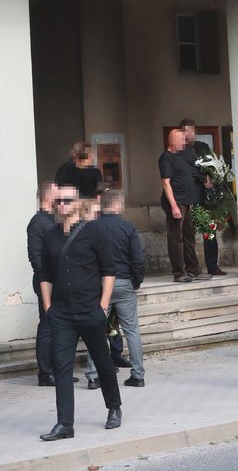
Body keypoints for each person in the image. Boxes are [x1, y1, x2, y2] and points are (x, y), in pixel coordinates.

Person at [38, 185, 122, 440]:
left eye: (66, 200)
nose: (61, 205)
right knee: (62, 367)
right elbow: (45, 275)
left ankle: (114, 407)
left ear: (77, 203)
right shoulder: (50, 236)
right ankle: (65, 424)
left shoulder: (95, 231)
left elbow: (109, 271)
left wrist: (103, 306)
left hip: (90, 310)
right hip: (62, 314)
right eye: (58, 201)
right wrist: (48, 307)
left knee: (104, 362)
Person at [84, 190, 147, 389]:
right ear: (119, 205)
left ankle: (94, 376)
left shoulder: (92, 226)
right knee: (132, 330)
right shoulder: (127, 226)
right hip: (123, 282)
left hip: (100, 285)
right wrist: (135, 282)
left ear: (103, 204)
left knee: (95, 330)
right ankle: (137, 375)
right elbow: (138, 259)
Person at [180, 119, 225, 276]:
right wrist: (201, 177)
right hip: (189, 197)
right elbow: (186, 172)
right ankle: (192, 268)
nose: (189, 134)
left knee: (210, 231)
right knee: (188, 234)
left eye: (191, 130)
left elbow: (211, 165)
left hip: (206, 198)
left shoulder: (202, 147)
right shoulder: (179, 151)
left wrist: (211, 177)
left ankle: (212, 265)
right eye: (186, 130)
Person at [159, 128, 202, 283]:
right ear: (173, 141)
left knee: (189, 236)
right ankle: (179, 272)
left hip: (186, 202)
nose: (184, 143)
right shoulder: (166, 157)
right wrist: (174, 206)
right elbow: (166, 182)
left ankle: (194, 270)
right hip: (176, 203)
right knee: (176, 238)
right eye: (181, 140)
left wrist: (189, 200)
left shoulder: (180, 157)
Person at [28, 182, 59, 386]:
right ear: (48, 197)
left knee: (57, 326)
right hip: (46, 281)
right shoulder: (39, 222)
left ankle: (56, 370)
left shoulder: (52, 220)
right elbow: (36, 257)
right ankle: (45, 373)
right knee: (47, 325)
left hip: (57, 280)